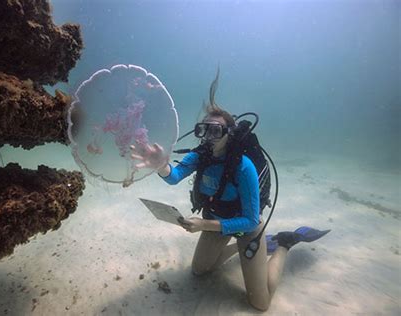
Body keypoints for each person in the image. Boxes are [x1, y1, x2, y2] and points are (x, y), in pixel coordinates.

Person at [130, 73, 329, 311]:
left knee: (260, 302)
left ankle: (284, 242)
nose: (208, 138)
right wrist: (160, 165)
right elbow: (173, 178)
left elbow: (251, 219)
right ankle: (255, 249)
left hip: (246, 228)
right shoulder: (199, 156)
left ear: (229, 134)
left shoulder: (243, 167)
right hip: (216, 221)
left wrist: (203, 226)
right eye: (203, 130)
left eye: (215, 131)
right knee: (199, 271)